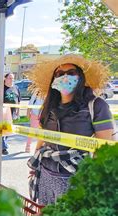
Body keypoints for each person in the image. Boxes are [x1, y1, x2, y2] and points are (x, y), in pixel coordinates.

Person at [27, 54, 115, 205]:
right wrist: (36, 164)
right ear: (54, 80)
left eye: (71, 73)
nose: (65, 77)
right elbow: (42, 137)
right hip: (46, 174)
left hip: (76, 179)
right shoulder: (49, 105)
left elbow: (104, 148)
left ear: (80, 77)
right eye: (59, 74)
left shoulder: (97, 105)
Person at [0, 73, 21, 155]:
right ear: (5, 79)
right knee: (2, 130)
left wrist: (18, 111)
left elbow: (18, 100)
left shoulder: (16, 88)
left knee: (7, 131)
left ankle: (0, 145)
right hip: (3, 113)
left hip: (12, 113)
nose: (12, 80)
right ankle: (4, 148)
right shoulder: (1, 88)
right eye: (10, 78)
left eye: (13, 78)